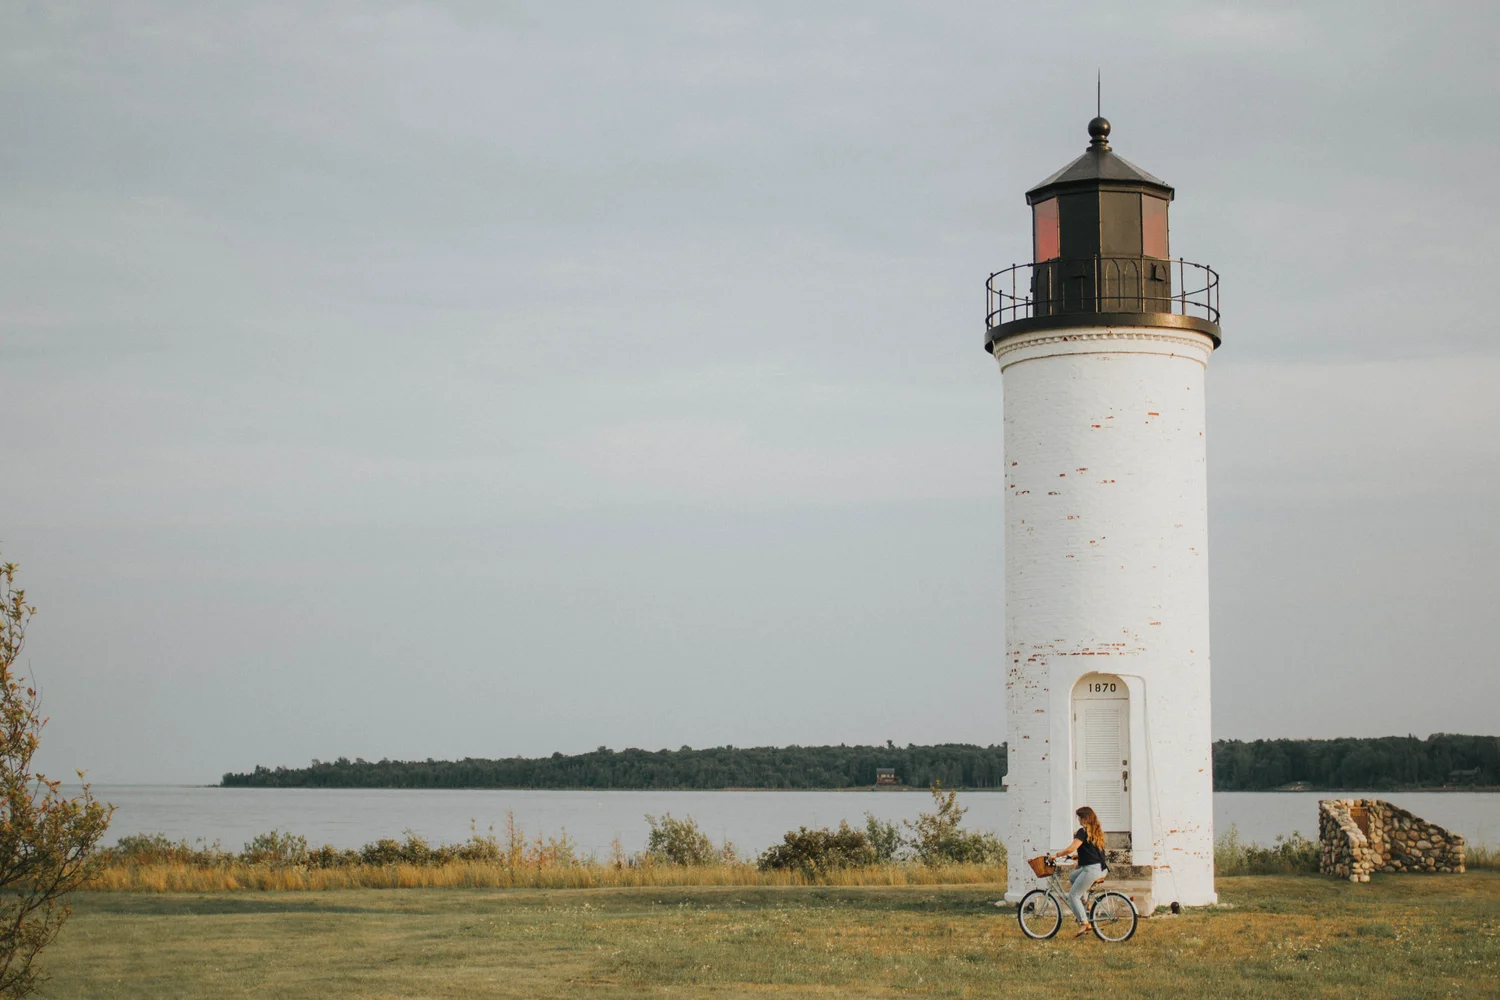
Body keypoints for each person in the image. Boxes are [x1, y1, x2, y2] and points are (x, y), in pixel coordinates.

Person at [1051, 806, 1109, 937]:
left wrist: (1057, 855)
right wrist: (1078, 856)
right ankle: (1085, 902)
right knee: (1073, 876)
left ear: (1084, 818)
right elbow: (1092, 851)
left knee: (1072, 896)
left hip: (1091, 870)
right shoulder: (1096, 831)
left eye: (1079, 817)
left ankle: (1084, 922)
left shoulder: (1082, 831)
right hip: (1100, 868)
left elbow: (1072, 847)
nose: (1078, 820)